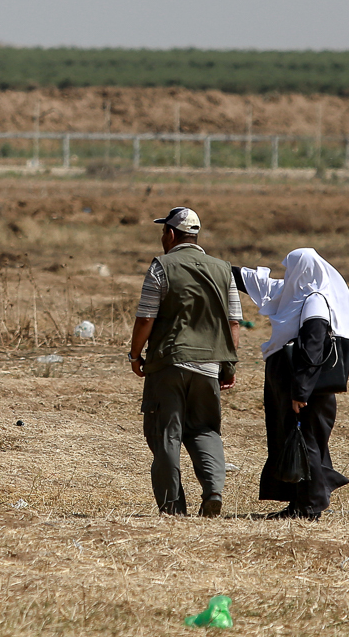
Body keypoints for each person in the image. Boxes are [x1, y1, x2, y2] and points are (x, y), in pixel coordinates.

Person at [129, 207, 241, 518]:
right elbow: (233, 324)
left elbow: (146, 318)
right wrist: (228, 365)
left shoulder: (161, 267)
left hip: (170, 364)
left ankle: (173, 507)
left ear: (170, 234)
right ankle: (213, 490)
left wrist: (135, 354)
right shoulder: (223, 269)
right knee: (205, 430)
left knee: (167, 434)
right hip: (209, 366)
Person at [233, 248, 349, 521]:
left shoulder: (314, 300)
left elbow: (313, 347)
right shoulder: (295, 294)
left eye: (292, 269)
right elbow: (254, 281)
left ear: (302, 271)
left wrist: (300, 391)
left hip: (304, 385)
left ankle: (309, 507)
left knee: (308, 443)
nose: (288, 275)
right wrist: (208, 264)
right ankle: (298, 503)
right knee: (295, 441)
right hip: (292, 380)